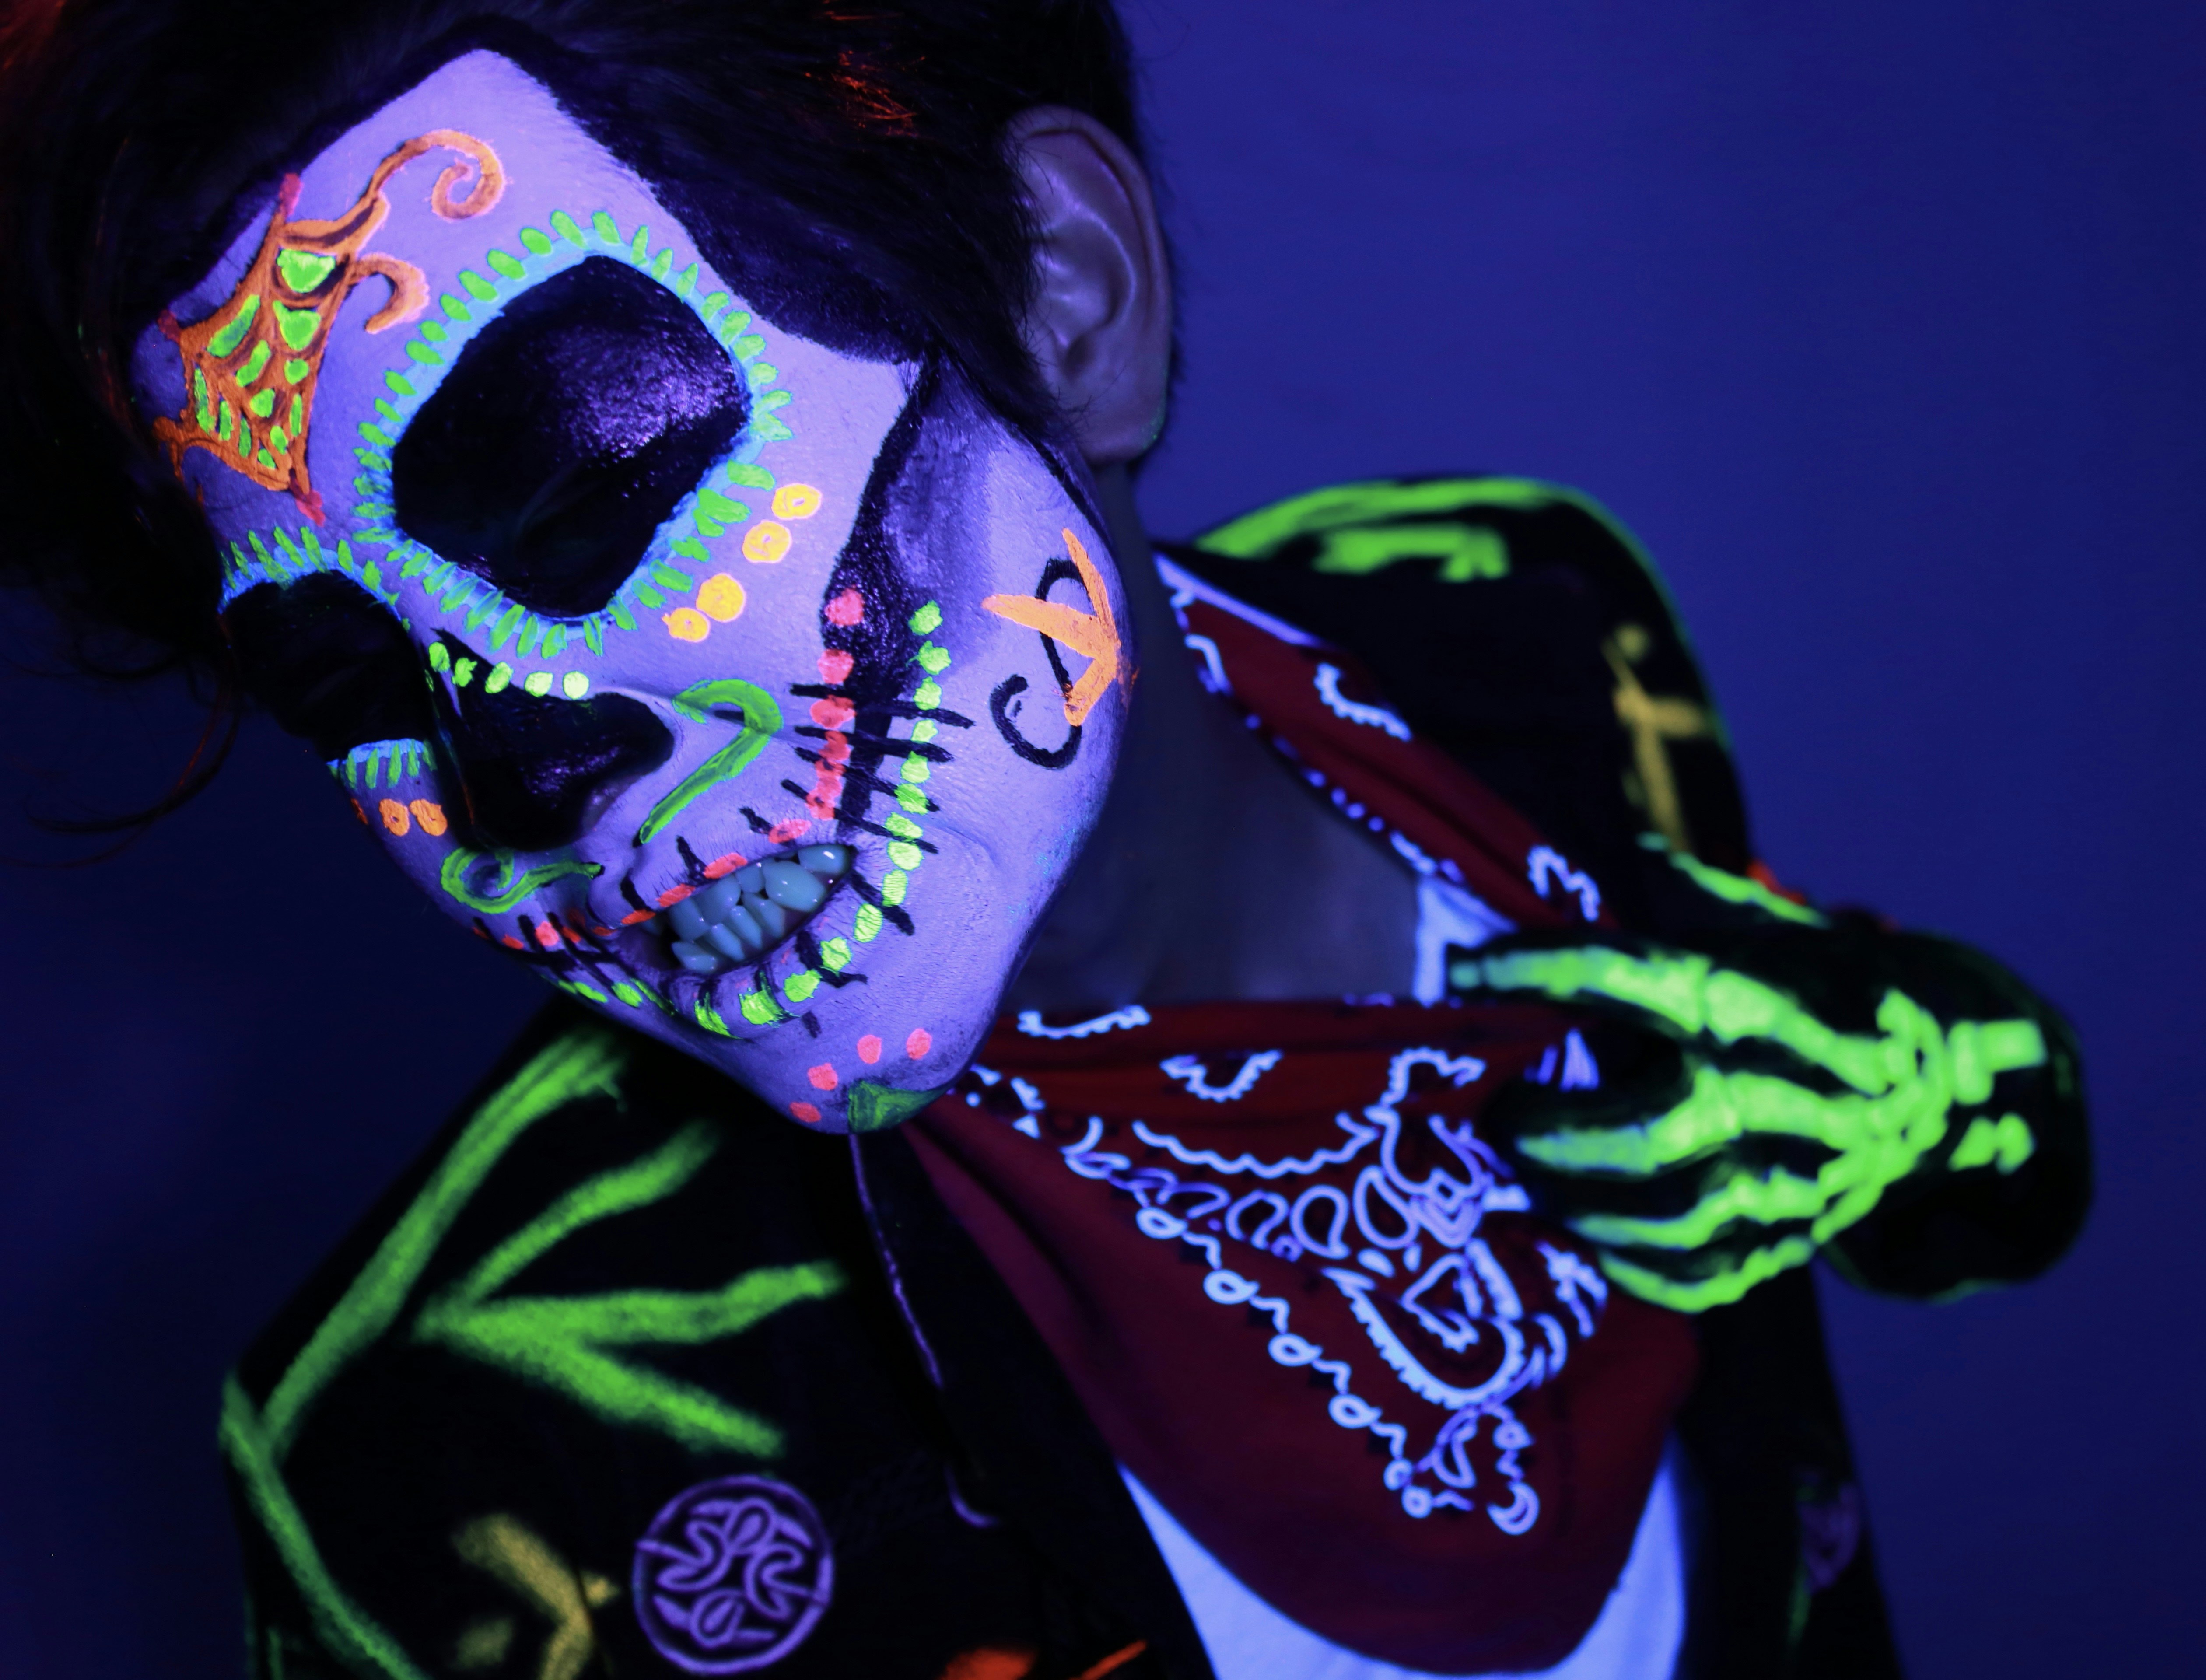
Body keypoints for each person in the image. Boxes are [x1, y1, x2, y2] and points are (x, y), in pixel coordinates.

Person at [0, 3, 2091, 1676]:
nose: (510, 775)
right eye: (350, 691)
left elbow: (1964, 1198)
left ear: (1065, 294)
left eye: (580, 490)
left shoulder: (1528, 627)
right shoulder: (441, 1455)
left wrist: (1951, 1081)